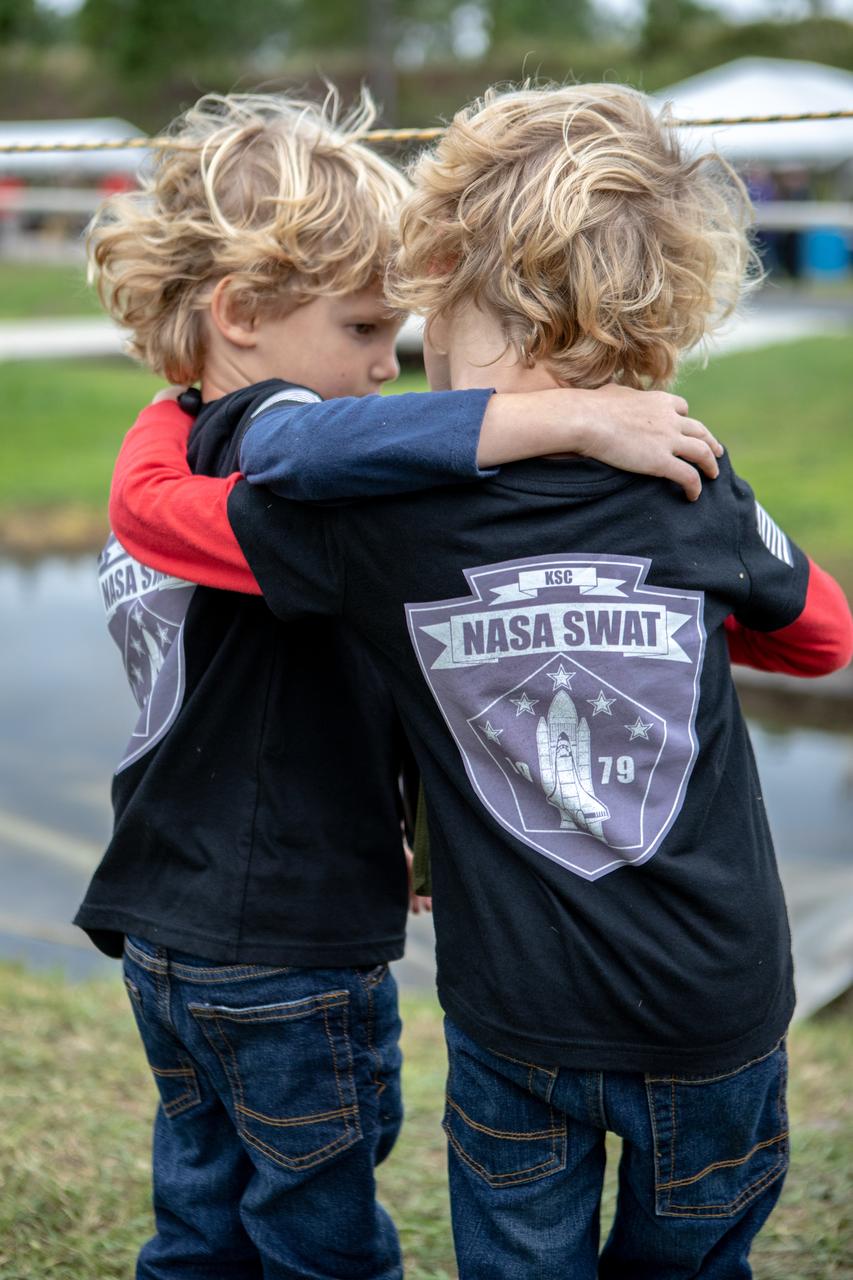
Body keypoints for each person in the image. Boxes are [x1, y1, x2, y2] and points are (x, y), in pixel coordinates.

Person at [107, 82, 853, 1279]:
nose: (396, 359)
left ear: (446, 273)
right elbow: (820, 637)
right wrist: (657, 611)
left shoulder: (383, 528)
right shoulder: (696, 486)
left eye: (406, 322)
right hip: (718, 1005)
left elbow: (164, 513)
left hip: (516, 1016)